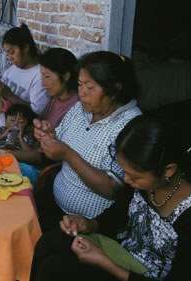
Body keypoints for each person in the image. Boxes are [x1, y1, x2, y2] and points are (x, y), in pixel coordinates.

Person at [30, 115, 191, 281]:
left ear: (169, 170)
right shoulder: (146, 183)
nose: (126, 179)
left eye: (135, 176)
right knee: (52, 240)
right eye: (125, 171)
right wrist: (89, 225)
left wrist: (105, 263)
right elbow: (120, 212)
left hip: (145, 276)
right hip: (125, 257)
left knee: (54, 269)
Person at [34, 51, 142, 231]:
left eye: (90, 87)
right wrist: (48, 136)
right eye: (79, 84)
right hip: (54, 202)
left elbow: (111, 189)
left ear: (114, 89)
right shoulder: (80, 107)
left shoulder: (131, 126)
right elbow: (56, 145)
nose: (82, 93)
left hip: (86, 224)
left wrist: (67, 154)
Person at [10, 47, 79, 175]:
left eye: (47, 77)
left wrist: (9, 154)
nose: (43, 83)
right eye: (42, 76)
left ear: (66, 76)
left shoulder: (76, 109)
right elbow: (39, 122)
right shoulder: (55, 97)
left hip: (45, 170)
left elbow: (43, 157)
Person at [0, 23, 49, 129]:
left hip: (7, 129)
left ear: (26, 48)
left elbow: (36, 114)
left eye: (12, 52)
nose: (10, 57)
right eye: (8, 54)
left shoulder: (39, 75)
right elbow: (2, 88)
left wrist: (9, 95)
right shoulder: (14, 68)